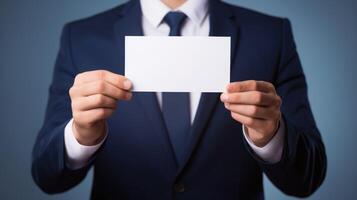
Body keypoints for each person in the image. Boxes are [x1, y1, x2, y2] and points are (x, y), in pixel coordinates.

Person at [32, 0, 327, 199]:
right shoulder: (81, 37)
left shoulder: (270, 35)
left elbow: (306, 180)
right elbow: (48, 178)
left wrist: (271, 136)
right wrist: (81, 135)